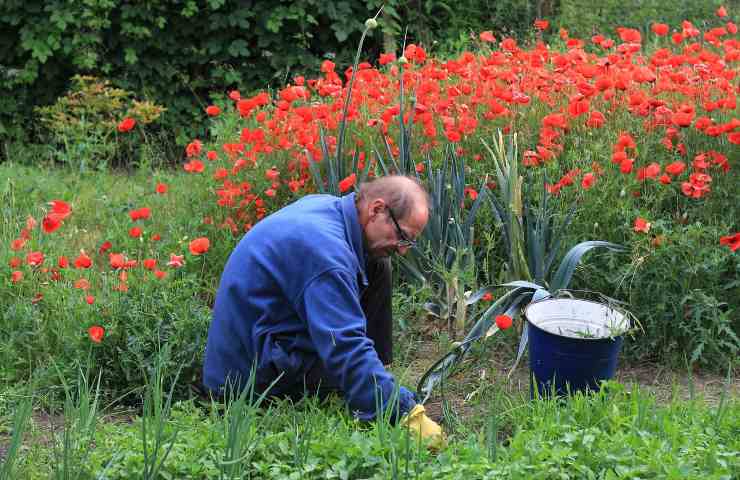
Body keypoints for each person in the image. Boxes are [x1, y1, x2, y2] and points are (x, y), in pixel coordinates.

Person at [203, 175, 443, 437]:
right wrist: (404, 412)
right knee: (351, 356)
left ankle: (375, 380)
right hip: (246, 378)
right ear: (377, 210)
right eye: (402, 236)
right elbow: (344, 344)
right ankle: (376, 396)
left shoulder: (335, 210)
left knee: (379, 262)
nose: (403, 250)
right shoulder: (327, 255)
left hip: (268, 337)